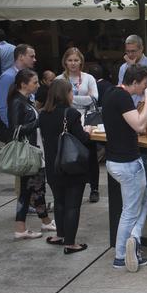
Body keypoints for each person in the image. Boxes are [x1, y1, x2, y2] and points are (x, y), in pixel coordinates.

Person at [103, 64, 147, 272]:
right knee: (130, 211)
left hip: (116, 160)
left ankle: (132, 240)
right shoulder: (123, 97)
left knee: (144, 200)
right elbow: (140, 126)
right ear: (134, 82)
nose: (145, 87)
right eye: (144, 84)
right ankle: (122, 254)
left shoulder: (110, 93)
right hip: (127, 163)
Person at [39, 79, 93, 254]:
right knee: (72, 205)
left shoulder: (43, 114)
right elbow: (82, 138)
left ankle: (61, 235)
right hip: (70, 166)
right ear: (65, 94)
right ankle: (71, 243)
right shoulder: (71, 114)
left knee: (59, 201)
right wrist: (89, 131)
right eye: (71, 92)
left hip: (53, 166)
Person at [9, 69, 56, 239]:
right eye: (35, 82)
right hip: (29, 154)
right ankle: (41, 222)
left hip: (34, 151)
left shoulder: (25, 101)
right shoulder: (17, 103)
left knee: (32, 190)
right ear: (24, 84)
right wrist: (39, 121)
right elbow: (15, 130)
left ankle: (35, 224)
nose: (37, 85)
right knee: (34, 189)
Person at [56, 47, 100, 203]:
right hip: (67, 120)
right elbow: (59, 100)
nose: (73, 63)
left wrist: (72, 98)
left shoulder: (88, 78)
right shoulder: (59, 79)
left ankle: (94, 188)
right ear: (65, 62)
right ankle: (70, 184)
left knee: (91, 154)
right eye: (70, 60)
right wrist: (83, 97)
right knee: (68, 153)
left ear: (81, 61)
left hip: (88, 120)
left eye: (76, 60)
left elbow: (94, 98)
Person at [0, 44, 37, 139]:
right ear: (21, 57)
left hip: (27, 128)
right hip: (16, 131)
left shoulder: (28, 74)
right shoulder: (8, 77)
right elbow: (2, 107)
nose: (34, 59)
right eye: (31, 56)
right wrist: (13, 131)